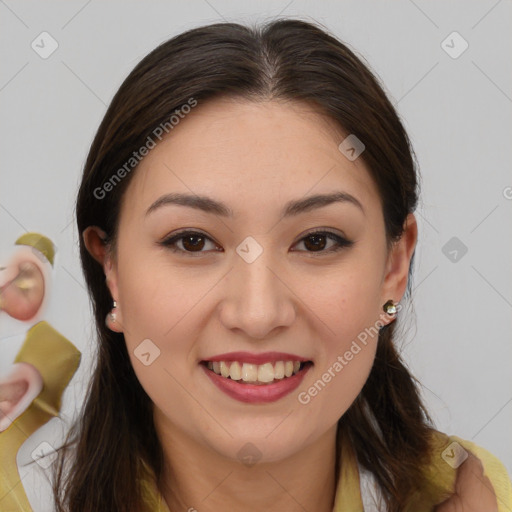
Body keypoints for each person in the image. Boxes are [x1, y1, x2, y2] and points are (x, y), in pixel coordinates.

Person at [53, 18, 511, 511]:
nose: (257, 314)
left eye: (316, 241)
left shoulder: (481, 496)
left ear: (393, 267)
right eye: (192, 241)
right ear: (111, 270)